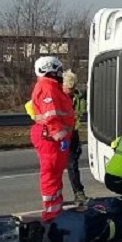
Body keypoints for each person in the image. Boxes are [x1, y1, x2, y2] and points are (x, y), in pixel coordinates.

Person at [29, 56, 76, 222]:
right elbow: (51, 116)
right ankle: (51, 215)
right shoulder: (48, 88)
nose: (60, 73)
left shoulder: (52, 87)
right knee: (51, 176)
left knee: (55, 176)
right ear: (50, 69)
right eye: (58, 70)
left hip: (52, 139)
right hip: (51, 140)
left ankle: (55, 211)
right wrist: (60, 136)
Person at [62, 70, 88, 206]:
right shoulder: (57, 95)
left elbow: (79, 114)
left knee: (72, 164)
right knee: (56, 166)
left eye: (73, 88)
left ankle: (79, 193)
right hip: (58, 134)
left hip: (72, 133)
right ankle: (55, 195)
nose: (71, 91)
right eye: (68, 88)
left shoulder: (78, 97)